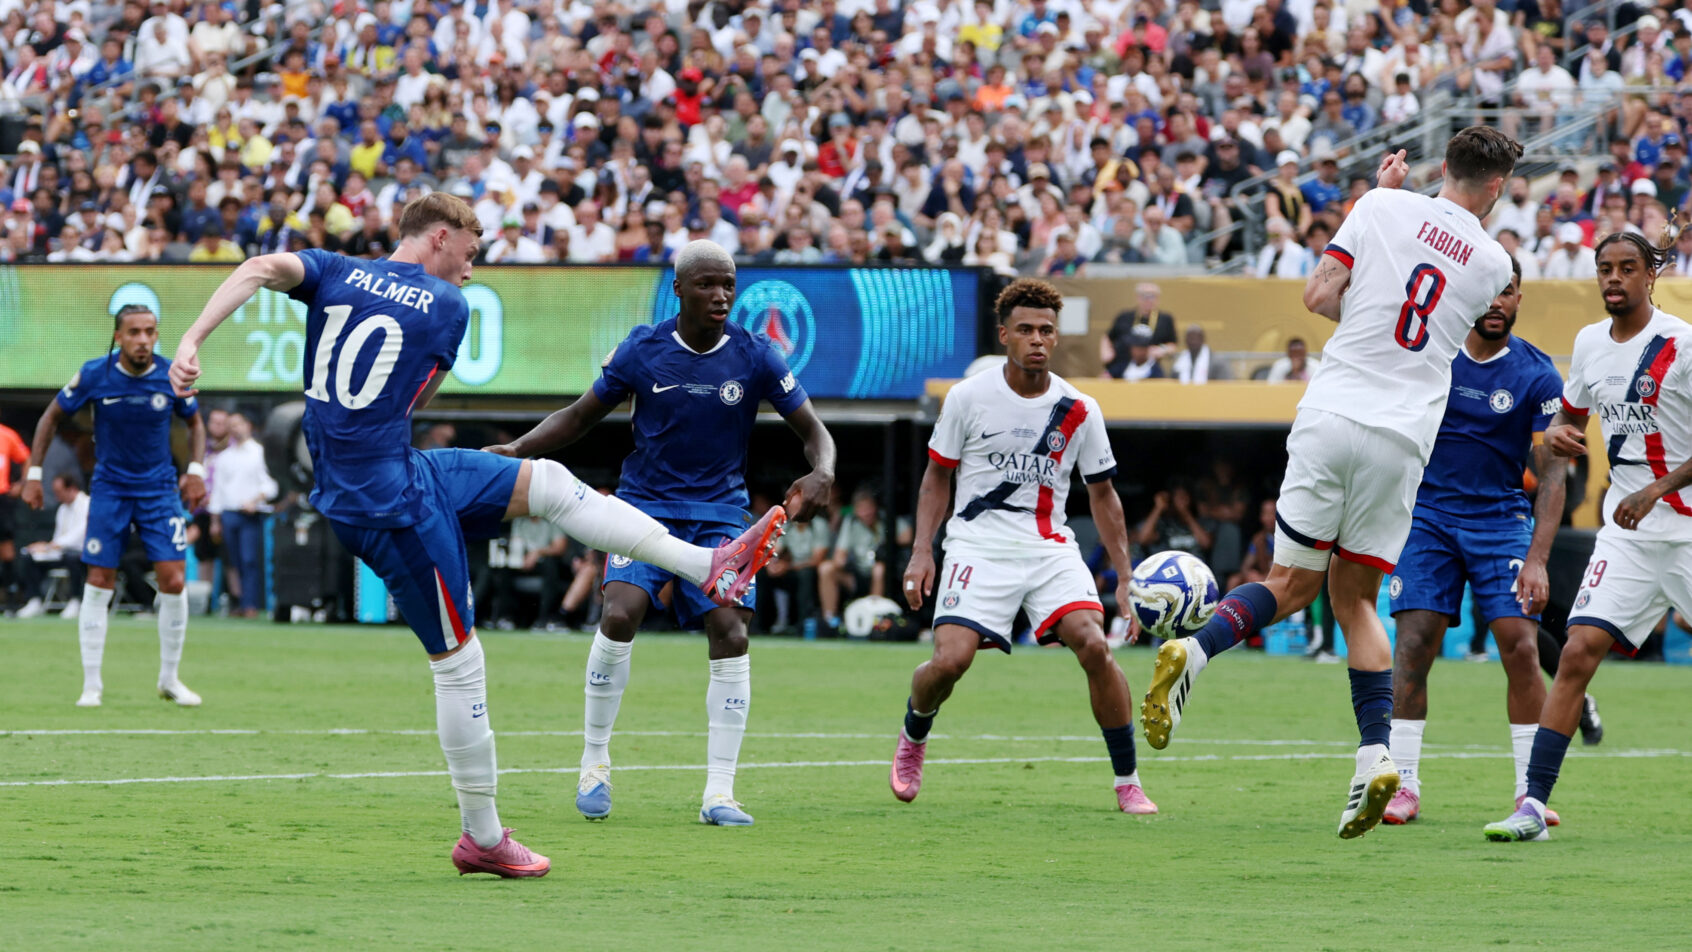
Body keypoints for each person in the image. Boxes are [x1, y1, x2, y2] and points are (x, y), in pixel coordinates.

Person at [167, 197, 788, 877]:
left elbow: (258, 267)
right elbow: (414, 399)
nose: (475, 262)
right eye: (473, 247)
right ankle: (483, 837)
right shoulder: (444, 306)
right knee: (459, 665)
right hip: (390, 503)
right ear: (441, 236)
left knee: (544, 481)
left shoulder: (333, 269)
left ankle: (708, 563)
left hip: (388, 473)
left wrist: (193, 340)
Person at [1140, 129, 1521, 839]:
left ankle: (1193, 651)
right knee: (1357, 604)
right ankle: (1374, 758)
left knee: (1290, 582)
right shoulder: (1496, 263)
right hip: (1401, 435)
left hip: (1331, 408)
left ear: (1444, 167)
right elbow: (1432, 318)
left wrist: (1379, 195)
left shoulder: (1378, 204)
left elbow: (1319, 296)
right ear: (1496, 186)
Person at [484, 239, 836, 828]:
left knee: (730, 633)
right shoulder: (643, 349)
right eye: (706, 284)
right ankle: (594, 762)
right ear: (679, 289)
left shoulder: (757, 355)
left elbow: (814, 430)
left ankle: (719, 793)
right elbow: (578, 417)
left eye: (727, 284)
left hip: (721, 514)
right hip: (643, 507)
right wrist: (517, 450)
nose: (721, 295)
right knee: (619, 615)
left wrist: (823, 469)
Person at [893, 278, 1156, 815]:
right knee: (949, 663)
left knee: (1095, 644)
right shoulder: (968, 398)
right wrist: (924, 551)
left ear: (1056, 338)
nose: (1037, 339)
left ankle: (1127, 780)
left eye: (1046, 330)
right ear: (1004, 335)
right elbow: (935, 479)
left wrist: (1125, 577)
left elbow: (1104, 497)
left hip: (1048, 549)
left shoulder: (1079, 408)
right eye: (1026, 330)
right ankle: (914, 734)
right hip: (976, 545)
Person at [1485, 230, 1692, 842]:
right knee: (1576, 653)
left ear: (1650, 275)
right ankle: (1532, 805)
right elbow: (1566, 425)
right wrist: (1558, 436)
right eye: (1606, 268)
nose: (1614, 278)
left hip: (1684, 527)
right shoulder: (1588, 344)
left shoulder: (1681, 345)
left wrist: (1656, 488)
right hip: (1626, 537)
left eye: (1628, 268)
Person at [1380, 260, 1573, 826]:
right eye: (1488, 291)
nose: (1496, 302)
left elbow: (1554, 475)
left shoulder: (1538, 374)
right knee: (1414, 645)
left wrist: (1537, 559)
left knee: (1519, 644)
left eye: (1507, 292)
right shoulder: (1429, 356)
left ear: (1519, 299)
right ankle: (1403, 785)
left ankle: (1529, 793)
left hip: (1500, 520)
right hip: (1428, 519)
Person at [19, 304, 209, 708]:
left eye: (150, 332)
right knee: (100, 579)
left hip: (159, 491)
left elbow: (194, 423)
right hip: (110, 489)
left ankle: (170, 680)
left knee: (174, 581)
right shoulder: (94, 375)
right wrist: (33, 476)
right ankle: (92, 685)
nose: (143, 340)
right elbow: (50, 419)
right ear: (119, 337)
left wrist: (195, 469)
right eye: (135, 332)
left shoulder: (170, 374)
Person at [206, 410, 276, 618]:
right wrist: (215, 521)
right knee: (232, 562)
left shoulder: (259, 453)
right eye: (232, 425)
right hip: (229, 513)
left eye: (239, 424)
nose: (235, 428)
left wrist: (254, 501)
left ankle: (251, 604)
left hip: (249, 514)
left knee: (249, 560)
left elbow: (270, 485)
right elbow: (217, 491)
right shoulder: (224, 457)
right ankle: (237, 602)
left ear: (249, 426)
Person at [818, 486, 911, 631]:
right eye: (861, 509)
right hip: (858, 574)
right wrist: (840, 561)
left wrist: (887, 544)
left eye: (868, 508)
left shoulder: (886, 518)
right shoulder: (851, 522)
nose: (866, 513)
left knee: (878, 569)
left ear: (875, 507)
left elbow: (908, 535)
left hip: (884, 576)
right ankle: (830, 621)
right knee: (826, 568)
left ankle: (873, 621)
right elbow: (839, 556)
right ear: (855, 510)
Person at [13, 473, 89, 618]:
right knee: (30, 558)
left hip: (81, 554)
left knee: (73, 559)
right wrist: (43, 549)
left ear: (71, 488)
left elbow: (79, 535)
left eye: (59, 492)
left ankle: (76, 600)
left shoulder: (87, 504)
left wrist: (49, 546)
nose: (57, 497)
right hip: (61, 553)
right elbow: (59, 537)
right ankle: (34, 599)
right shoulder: (62, 509)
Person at [1100, 282, 1177, 378]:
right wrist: (1106, 353)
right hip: (1121, 364)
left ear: (1158, 298)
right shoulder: (1125, 316)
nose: (1148, 300)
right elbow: (1108, 336)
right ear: (1138, 297)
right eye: (1145, 296)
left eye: (1152, 296)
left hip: (1148, 367)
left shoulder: (1165, 319)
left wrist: (1161, 350)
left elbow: (1173, 345)